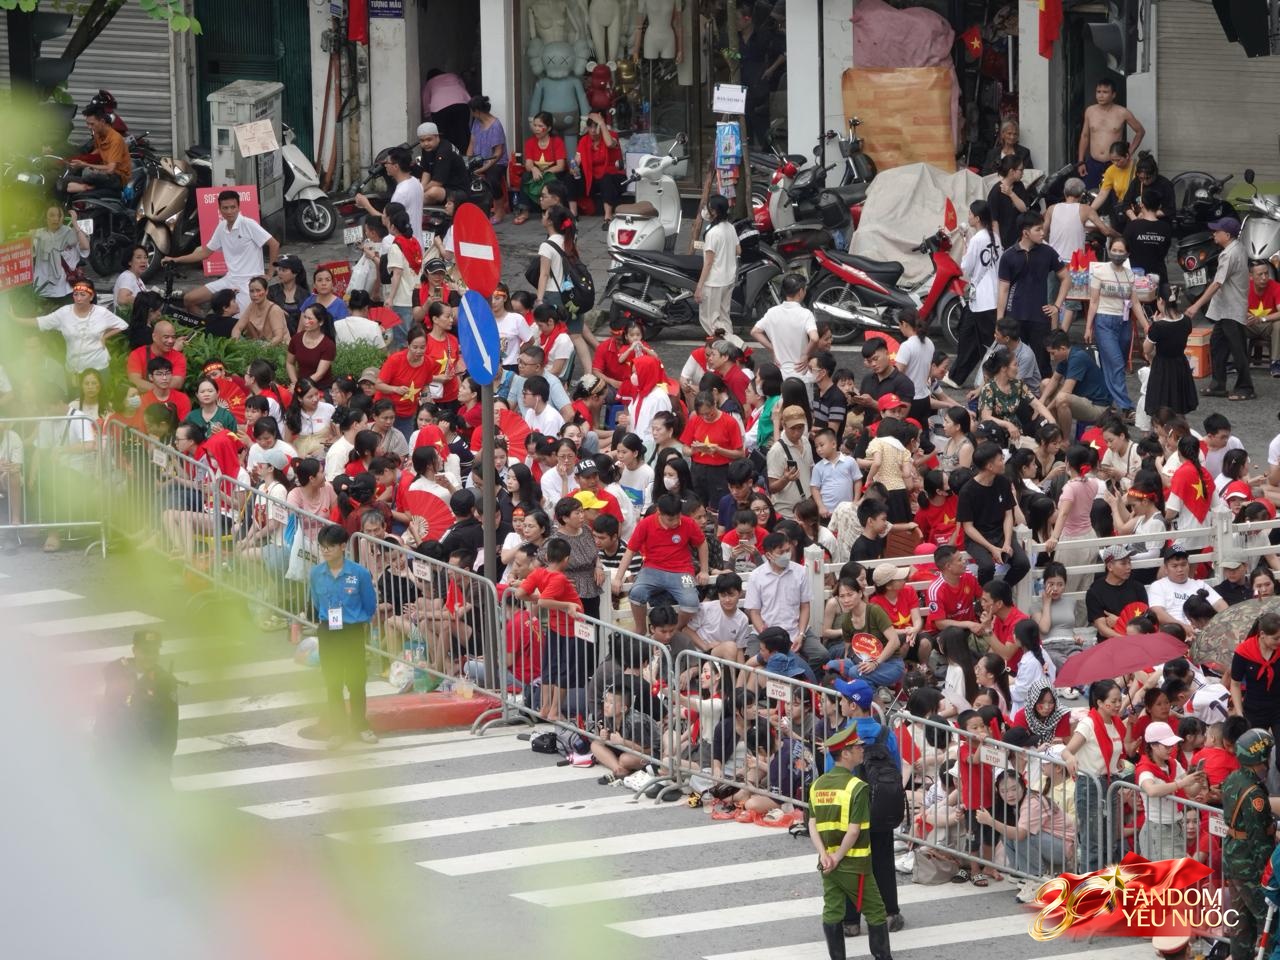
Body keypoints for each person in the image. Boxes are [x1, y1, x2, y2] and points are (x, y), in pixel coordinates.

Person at [807, 724, 893, 960]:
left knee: (833, 910)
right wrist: (838, 856)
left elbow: (812, 824)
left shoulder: (817, 785)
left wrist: (825, 855)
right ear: (845, 753)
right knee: (876, 912)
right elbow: (854, 831)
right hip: (854, 863)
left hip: (827, 863)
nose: (861, 750)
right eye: (857, 747)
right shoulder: (857, 787)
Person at [309, 524, 378, 749]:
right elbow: (317, 603)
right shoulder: (316, 573)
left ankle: (360, 726)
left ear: (342, 546)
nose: (326, 551)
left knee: (356, 682)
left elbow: (369, 605)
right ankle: (337, 731)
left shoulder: (359, 573)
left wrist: (357, 621)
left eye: (330, 547)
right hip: (328, 631)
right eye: (322, 547)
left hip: (352, 631)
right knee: (333, 682)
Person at [162, 190, 279, 314]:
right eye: (225, 208)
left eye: (233, 207)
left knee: (238, 321)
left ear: (239, 207)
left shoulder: (248, 224)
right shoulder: (221, 227)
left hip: (249, 283)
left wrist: (270, 274)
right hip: (229, 279)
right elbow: (204, 253)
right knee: (189, 299)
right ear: (219, 209)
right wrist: (176, 259)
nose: (229, 211)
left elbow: (274, 244)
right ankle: (208, 325)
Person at [612, 493, 708, 633]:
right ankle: (641, 629)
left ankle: (675, 631)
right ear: (659, 513)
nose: (675, 522)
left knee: (692, 602)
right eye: (670, 519)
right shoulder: (646, 524)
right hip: (652, 569)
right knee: (636, 594)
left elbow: (702, 543)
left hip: (682, 571)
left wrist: (704, 570)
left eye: (677, 517)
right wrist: (618, 578)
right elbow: (630, 551)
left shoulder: (688, 523)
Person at [1221, 729, 1277, 960]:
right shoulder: (1254, 793)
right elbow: (1260, 840)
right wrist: (1269, 874)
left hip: (1234, 858)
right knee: (1269, 923)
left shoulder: (1234, 778)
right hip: (1249, 866)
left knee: (1240, 925)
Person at [996, 212, 1069, 376]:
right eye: (1038, 229)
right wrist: (1000, 320)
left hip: (1040, 318)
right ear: (1025, 232)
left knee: (1043, 363)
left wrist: (1057, 305)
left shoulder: (1048, 252)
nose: (1043, 233)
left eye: (1043, 229)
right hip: (1014, 317)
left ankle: (1043, 398)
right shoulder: (1008, 256)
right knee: (1012, 363)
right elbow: (1003, 289)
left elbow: (1066, 278)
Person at [1188, 217, 1252, 401]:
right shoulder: (1237, 248)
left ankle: (1246, 387)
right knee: (1217, 346)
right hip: (1227, 309)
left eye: (1217, 231)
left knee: (1238, 349)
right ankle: (1218, 384)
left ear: (1227, 234)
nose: (1214, 233)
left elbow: (1217, 283)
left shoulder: (1229, 254)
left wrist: (1196, 305)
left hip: (1231, 309)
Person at [1084, 236, 1148, 412]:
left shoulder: (1129, 274)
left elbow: (1135, 302)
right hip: (1104, 321)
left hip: (1124, 323)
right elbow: (1094, 301)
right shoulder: (1100, 271)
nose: (1117, 254)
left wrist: (1145, 325)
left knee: (1110, 365)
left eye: (1121, 251)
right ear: (1109, 250)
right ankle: (1126, 407)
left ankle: (1105, 402)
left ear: (1127, 254)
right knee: (1118, 363)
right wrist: (1088, 326)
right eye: (1115, 250)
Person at [18, 281, 127, 377]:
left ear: (91, 296)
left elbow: (122, 325)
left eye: (82, 295)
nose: (78, 298)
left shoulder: (101, 312)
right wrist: (16, 320)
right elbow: (41, 322)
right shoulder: (64, 313)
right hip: (74, 370)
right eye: (76, 294)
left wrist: (105, 337)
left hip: (98, 368)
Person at [958, 442, 1029, 586]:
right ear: (990, 466)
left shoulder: (1003, 482)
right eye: (1000, 459)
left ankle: (1001, 593)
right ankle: (984, 598)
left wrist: (1007, 543)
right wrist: (992, 548)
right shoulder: (967, 491)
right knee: (986, 567)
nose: (1004, 462)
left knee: (1023, 563)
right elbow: (968, 527)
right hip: (977, 538)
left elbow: (1008, 515)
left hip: (1001, 533)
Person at [950, 200, 1002, 387]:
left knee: (987, 341)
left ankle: (993, 377)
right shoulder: (994, 236)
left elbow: (966, 266)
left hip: (982, 297)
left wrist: (965, 241)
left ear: (977, 218)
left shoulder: (977, 239)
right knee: (968, 335)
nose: (968, 217)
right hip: (989, 296)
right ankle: (956, 376)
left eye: (971, 214)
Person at [1041, 331, 1113, 437]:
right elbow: (1054, 380)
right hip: (1082, 399)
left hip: (1097, 406)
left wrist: (1046, 410)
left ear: (1063, 348)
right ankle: (1056, 432)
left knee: (1062, 399)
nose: (1052, 357)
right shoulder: (1064, 358)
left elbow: (1066, 391)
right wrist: (1040, 402)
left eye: (1053, 353)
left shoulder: (1077, 358)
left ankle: (1064, 440)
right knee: (1045, 383)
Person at [1077, 78, 1145, 189]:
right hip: (1093, 162)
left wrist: (1129, 153)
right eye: (1098, 92)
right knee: (1090, 196)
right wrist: (1081, 161)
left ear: (1113, 95)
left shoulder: (1123, 112)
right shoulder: (1090, 111)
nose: (1101, 95)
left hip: (1115, 163)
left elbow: (1140, 131)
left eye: (1105, 92)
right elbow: (1084, 136)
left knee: (1115, 197)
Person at [1230, 611, 1280, 754]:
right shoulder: (1244, 651)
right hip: (1254, 709)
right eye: (1276, 638)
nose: (1279, 641)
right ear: (1262, 634)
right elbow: (1235, 684)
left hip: (1278, 706)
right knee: (1256, 753)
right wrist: (1239, 713)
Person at [1143, 287, 1198, 417]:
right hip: (1180, 364)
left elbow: (1147, 349)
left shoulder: (1158, 326)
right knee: (1179, 404)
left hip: (1162, 366)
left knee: (1162, 406)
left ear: (1161, 301)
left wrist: (1152, 327)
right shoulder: (1186, 321)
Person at [355, 146, 425, 248]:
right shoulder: (416, 182)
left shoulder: (401, 193)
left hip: (404, 248)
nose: (385, 166)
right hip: (417, 244)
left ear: (396, 166)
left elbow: (387, 221)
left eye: (387, 163)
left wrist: (366, 204)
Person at [752, 273, 818, 380]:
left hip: (780, 373)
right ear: (801, 292)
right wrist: (805, 355)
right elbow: (814, 338)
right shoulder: (806, 314)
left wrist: (773, 349)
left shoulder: (772, 312)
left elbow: (755, 331)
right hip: (801, 374)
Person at [63, 102, 131, 194]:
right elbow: (98, 151)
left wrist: (85, 164)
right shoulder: (98, 135)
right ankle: (86, 186)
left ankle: (89, 188)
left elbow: (110, 169)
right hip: (103, 174)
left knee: (87, 174)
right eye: (87, 124)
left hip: (117, 177)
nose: (89, 127)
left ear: (102, 122)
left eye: (92, 124)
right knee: (66, 179)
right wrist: (80, 161)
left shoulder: (116, 139)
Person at [1148, 547, 1227, 626]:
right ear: (1166, 568)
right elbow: (1158, 613)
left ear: (1188, 565)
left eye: (1183, 565)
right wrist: (1184, 627)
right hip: (1174, 631)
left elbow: (1220, 605)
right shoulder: (1158, 585)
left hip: (1202, 630)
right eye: (1175, 566)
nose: (1180, 569)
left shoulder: (1200, 584)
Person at [696, 195, 739, 337]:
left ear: (714, 211)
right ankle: (734, 349)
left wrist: (699, 287)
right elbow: (738, 250)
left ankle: (725, 347)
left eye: (708, 207)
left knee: (709, 320)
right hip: (728, 279)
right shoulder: (730, 227)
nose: (705, 210)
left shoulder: (713, 233)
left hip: (714, 282)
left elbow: (708, 263)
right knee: (724, 317)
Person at [1085, 545, 1149, 638]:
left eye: (1129, 562)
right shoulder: (1095, 591)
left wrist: (1120, 622)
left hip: (1137, 640)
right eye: (1123, 563)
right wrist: (1125, 639)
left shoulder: (1137, 587)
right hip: (1110, 642)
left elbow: (1146, 623)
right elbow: (1102, 629)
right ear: (1110, 566)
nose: (1128, 567)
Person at [514, 113, 567, 224]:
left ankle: (552, 210)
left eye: (540, 126)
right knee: (525, 176)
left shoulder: (557, 142)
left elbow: (560, 166)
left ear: (548, 128)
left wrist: (545, 172)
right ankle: (524, 210)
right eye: (535, 125)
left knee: (553, 179)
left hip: (552, 172)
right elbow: (528, 164)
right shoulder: (530, 142)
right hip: (537, 173)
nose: (536, 129)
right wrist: (534, 169)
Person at [573, 111, 624, 222]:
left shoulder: (612, 136)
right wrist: (573, 168)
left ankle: (608, 216)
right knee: (570, 178)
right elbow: (577, 160)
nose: (592, 130)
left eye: (595, 127)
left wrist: (601, 123)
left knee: (606, 178)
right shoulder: (584, 140)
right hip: (593, 177)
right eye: (590, 127)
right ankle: (573, 214)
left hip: (614, 176)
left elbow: (610, 144)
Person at [31, 204, 89, 302]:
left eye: (59, 215)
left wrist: (75, 223)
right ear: (45, 218)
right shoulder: (37, 235)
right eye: (52, 215)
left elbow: (85, 247)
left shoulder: (71, 233)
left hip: (67, 290)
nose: (56, 219)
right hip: (44, 290)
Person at [466, 95, 509, 223]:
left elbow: (498, 153)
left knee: (492, 178)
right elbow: (472, 144)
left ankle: (500, 211)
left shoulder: (496, 125)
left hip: (497, 162)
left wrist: (483, 168)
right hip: (479, 160)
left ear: (477, 111)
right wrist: (467, 161)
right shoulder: (476, 123)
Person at [766, 405, 814, 518]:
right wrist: (786, 479)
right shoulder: (776, 450)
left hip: (806, 509)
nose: (797, 432)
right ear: (784, 425)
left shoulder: (806, 442)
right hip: (786, 512)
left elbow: (810, 471)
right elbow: (772, 487)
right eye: (793, 428)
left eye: (800, 427)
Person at [416, 121, 470, 205]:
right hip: (443, 188)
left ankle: (413, 207)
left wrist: (418, 194)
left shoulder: (444, 150)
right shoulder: (427, 149)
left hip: (458, 191)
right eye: (422, 141)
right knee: (422, 191)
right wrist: (420, 189)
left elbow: (437, 182)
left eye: (429, 139)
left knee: (432, 192)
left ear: (437, 137)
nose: (426, 143)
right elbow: (426, 172)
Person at [126, 318, 187, 392]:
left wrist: (151, 387)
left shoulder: (179, 357)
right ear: (154, 337)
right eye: (166, 337)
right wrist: (160, 389)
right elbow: (135, 381)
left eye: (173, 337)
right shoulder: (137, 354)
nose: (171, 341)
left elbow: (177, 383)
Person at [987, 155, 1031, 250]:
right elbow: (994, 221)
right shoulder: (995, 191)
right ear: (1012, 171)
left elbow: (1024, 209)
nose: (1022, 173)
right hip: (1005, 240)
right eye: (1021, 170)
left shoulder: (1019, 186)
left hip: (1020, 238)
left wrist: (1011, 194)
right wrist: (998, 245)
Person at [1245, 259, 1280, 378]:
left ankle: (1275, 362)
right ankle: (1238, 361)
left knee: (1279, 324)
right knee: (1233, 323)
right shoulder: (1244, 287)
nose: (1264, 277)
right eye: (1260, 274)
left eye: (1266, 273)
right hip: (1249, 325)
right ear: (1251, 276)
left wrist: (1261, 319)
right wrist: (1244, 315)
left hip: (1267, 326)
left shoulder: (1275, 286)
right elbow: (1234, 306)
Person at [230, 276, 289, 345]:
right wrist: (235, 343)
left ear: (266, 291)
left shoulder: (274, 309)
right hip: (262, 345)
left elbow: (279, 337)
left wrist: (262, 349)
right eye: (251, 291)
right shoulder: (252, 305)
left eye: (258, 290)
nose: (255, 295)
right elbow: (237, 328)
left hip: (280, 348)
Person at [1091, 140, 1136, 221]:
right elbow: (1102, 194)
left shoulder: (1137, 167)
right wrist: (1090, 211)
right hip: (1123, 209)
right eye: (1112, 160)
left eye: (1118, 160)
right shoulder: (1110, 171)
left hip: (1137, 209)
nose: (1115, 163)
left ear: (1127, 156)